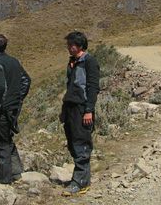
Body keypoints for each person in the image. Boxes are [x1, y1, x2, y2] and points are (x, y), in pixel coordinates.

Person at [60, 31, 100, 196]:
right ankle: (82, 178)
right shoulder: (73, 62)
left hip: (82, 108)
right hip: (70, 107)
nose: (69, 48)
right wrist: (63, 110)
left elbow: (92, 87)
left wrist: (88, 110)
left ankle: (80, 182)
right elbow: (70, 87)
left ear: (80, 45)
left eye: (72, 45)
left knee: (81, 143)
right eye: (68, 45)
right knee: (72, 142)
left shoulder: (89, 62)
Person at [0, 34, 31, 184]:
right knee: (7, 138)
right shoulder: (14, 61)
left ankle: (4, 178)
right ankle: (16, 171)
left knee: (0, 143)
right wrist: (17, 100)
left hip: (3, 111)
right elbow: (26, 80)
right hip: (13, 109)